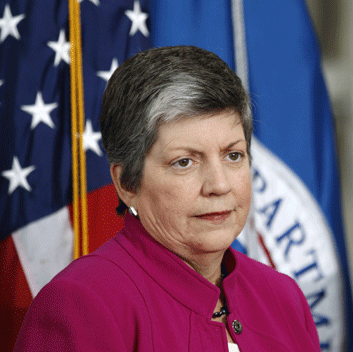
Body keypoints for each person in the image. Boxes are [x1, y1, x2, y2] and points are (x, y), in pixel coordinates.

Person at [14, 46, 321, 352]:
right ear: (127, 183)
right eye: (184, 162)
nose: (219, 185)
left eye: (233, 155)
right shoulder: (82, 304)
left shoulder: (283, 298)